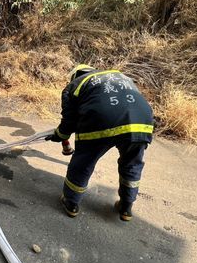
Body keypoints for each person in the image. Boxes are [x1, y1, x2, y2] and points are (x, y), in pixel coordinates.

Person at [46, 64, 154, 222]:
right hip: (141, 123)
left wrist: (60, 134)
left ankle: (71, 203)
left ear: (75, 75)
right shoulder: (121, 76)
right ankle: (126, 206)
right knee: (132, 164)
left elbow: (69, 120)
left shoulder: (74, 85)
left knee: (83, 162)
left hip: (102, 122)